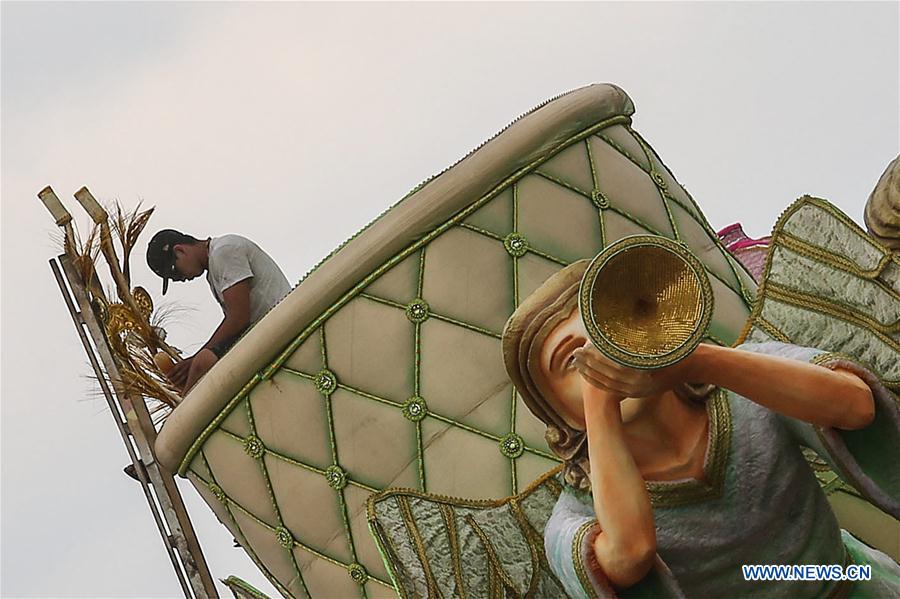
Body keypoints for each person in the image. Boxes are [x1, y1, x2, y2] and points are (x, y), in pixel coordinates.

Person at [501, 260, 900, 598]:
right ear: (561, 417)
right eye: (573, 360)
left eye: (608, 329)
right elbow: (631, 553)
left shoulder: (741, 378)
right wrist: (600, 400)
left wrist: (692, 360)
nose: (607, 354)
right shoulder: (574, 517)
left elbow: (857, 406)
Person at [146, 229, 291, 392]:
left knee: (204, 362)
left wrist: (196, 360)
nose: (181, 280)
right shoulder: (214, 268)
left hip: (283, 327)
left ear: (180, 250)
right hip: (268, 331)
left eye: (175, 272)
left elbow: (239, 318)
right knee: (203, 366)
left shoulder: (224, 251)